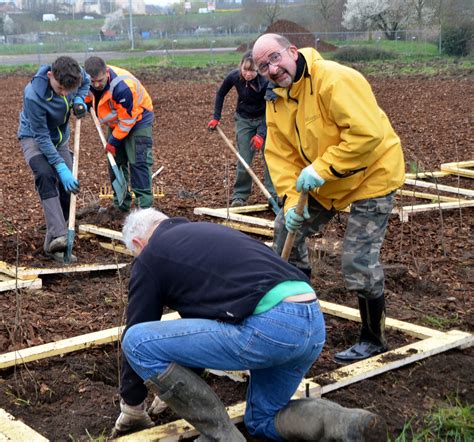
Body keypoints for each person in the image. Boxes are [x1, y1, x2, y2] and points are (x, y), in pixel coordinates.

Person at [113, 207, 387, 441]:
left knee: (137, 341)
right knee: (263, 419)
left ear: (138, 244)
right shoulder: (207, 234)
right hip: (311, 321)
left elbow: (137, 330)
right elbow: (198, 327)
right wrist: (177, 380)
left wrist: (133, 407)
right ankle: (343, 423)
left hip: (269, 327)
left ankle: (222, 436)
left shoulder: (150, 256)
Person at [252, 33, 405, 363]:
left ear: (293, 51)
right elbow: (280, 158)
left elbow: (367, 134)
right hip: (325, 180)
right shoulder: (275, 100)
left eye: (275, 58)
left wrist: (323, 167)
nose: (272, 69)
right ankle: (297, 311)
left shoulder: (334, 79)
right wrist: (292, 203)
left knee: (357, 259)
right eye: (264, 65)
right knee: (284, 229)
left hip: (372, 172)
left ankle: (374, 338)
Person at [18, 56, 90, 263]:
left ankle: (54, 244)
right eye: (60, 89)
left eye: (69, 90)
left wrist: (79, 100)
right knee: (46, 175)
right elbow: (41, 136)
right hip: (34, 137)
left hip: (60, 138)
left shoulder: (75, 75)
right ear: (50, 75)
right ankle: (59, 235)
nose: (64, 93)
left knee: (70, 188)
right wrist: (59, 165)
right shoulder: (33, 96)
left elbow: (85, 82)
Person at [84, 56, 154, 219]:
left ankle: (143, 208)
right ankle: (120, 205)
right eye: (92, 82)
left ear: (106, 72)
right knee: (115, 162)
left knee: (139, 161)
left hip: (138, 120)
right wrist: (83, 104)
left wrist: (113, 141)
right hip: (117, 123)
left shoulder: (122, 87)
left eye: (99, 81)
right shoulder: (86, 81)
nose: (96, 85)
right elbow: (86, 96)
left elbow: (128, 120)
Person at [207, 51, 277, 207]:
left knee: (270, 157)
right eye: (245, 69)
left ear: (258, 69)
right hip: (243, 119)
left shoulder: (266, 82)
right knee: (244, 158)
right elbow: (220, 94)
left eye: (252, 70)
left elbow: (270, 110)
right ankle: (240, 195)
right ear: (241, 67)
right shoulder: (234, 76)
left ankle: (273, 194)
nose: (248, 74)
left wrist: (261, 134)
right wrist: (216, 117)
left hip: (264, 118)